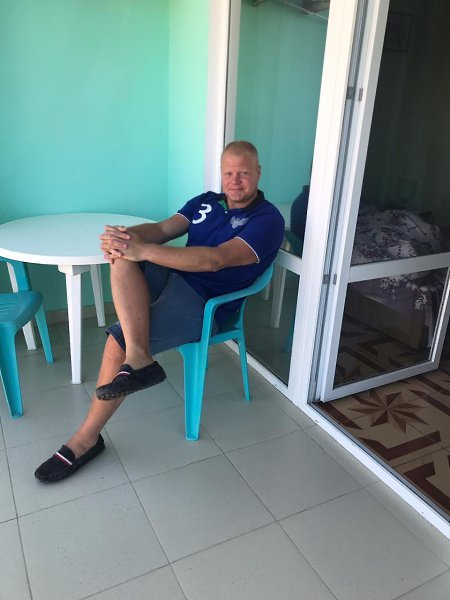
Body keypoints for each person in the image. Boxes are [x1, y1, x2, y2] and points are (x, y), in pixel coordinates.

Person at [34, 140, 285, 483]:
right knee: (122, 256)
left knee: (117, 341)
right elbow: (163, 230)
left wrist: (144, 251)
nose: (235, 181)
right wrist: (124, 238)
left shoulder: (267, 219)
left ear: (258, 172)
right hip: (174, 277)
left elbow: (215, 261)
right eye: (228, 173)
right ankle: (140, 358)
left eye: (243, 173)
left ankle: (86, 439)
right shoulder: (206, 202)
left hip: (206, 302)